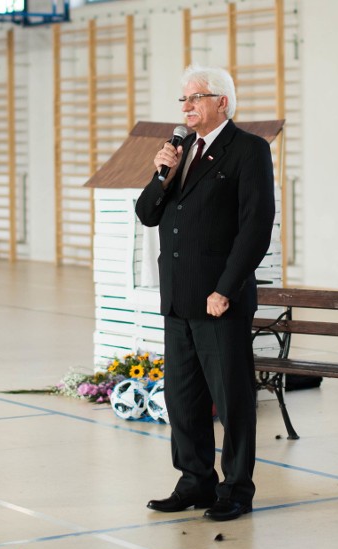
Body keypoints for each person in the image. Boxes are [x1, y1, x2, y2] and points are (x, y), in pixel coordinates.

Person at [135, 64, 275, 522]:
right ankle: (195, 480)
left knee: (231, 399)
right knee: (183, 398)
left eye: (196, 98)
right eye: (183, 100)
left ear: (222, 103)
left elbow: (255, 229)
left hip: (219, 302)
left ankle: (236, 488)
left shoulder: (248, 150)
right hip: (178, 298)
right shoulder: (179, 153)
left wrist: (225, 289)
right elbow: (147, 214)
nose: (187, 107)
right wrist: (162, 174)